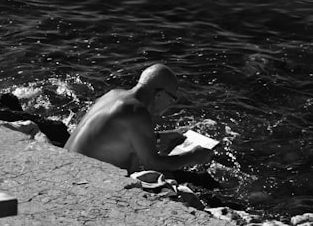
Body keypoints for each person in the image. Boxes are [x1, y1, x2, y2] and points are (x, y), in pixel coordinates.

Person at [65, 64, 214, 173]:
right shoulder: (137, 111)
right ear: (159, 95)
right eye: (172, 99)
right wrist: (193, 156)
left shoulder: (113, 94)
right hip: (82, 179)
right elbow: (153, 164)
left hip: (66, 167)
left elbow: (116, 134)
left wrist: (158, 137)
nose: (171, 105)